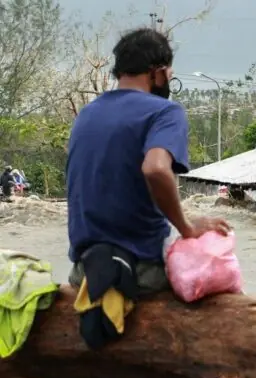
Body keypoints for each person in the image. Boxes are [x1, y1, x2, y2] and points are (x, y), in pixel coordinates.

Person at [66, 28, 230, 296]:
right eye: (169, 73)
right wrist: (187, 228)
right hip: (140, 272)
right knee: (215, 278)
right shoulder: (164, 112)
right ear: (158, 72)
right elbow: (155, 169)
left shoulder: (87, 114)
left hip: (84, 271)